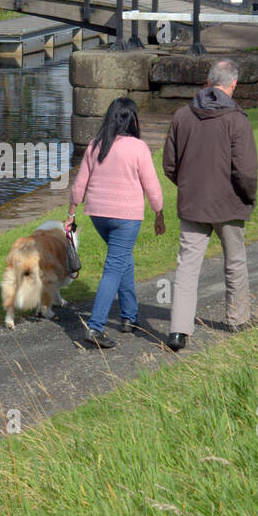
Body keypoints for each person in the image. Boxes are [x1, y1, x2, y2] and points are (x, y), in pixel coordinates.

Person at [162, 59, 258, 352]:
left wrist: (190, 187)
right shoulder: (237, 119)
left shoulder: (182, 116)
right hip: (228, 203)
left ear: (207, 82)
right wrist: (248, 195)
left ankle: (179, 331)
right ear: (232, 84)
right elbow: (246, 170)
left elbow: (169, 164)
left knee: (187, 267)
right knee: (235, 260)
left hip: (193, 203)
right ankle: (238, 320)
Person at [68, 97, 164, 348]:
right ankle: (96, 327)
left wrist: (71, 213)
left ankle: (129, 317)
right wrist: (159, 213)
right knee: (114, 266)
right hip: (126, 218)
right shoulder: (138, 147)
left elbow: (79, 184)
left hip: (99, 215)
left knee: (123, 260)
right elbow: (151, 185)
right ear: (133, 120)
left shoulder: (95, 145)